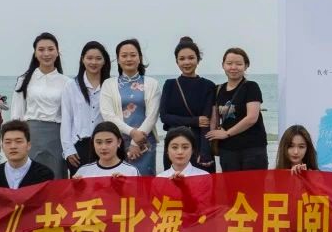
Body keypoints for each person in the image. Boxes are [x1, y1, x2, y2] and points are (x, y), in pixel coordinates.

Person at [67, 122, 138, 232]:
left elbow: (139, 205)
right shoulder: (84, 171)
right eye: (98, 142)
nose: (103, 147)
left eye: (108, 142)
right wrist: (74, 188)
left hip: (118, 227)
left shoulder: (130, 171)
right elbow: (72, 206)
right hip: (91, 225)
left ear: (119, 142)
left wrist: (124, 187)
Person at [146, 127, 212, 232]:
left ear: (193, 150)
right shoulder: (160, 179)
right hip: (169, 229)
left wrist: (184, 188)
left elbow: (202, 211)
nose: (180, 152)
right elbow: (155, 211)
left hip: (196, 230)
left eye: (185, 147)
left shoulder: (203, 176)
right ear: (167, 151)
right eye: (174, 147)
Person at [274, 124, 332, 232]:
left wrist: (305, 179)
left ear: (308, 149)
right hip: (286, 228)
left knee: (307, 223)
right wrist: (291, 179)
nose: (295, 152)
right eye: (291, 146)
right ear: (284, 148)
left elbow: (322, 205)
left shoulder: (315, 174)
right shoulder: (276, 174)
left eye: (301, 147)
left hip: (309, 229)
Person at [11, 32, 69, 179]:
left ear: (57, 52)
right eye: (41, 49)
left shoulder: (67, 82)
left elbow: (69, 116)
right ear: (35, 53)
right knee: (30, 178)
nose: (46, 54)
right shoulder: (24, 80)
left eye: (51, 49)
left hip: (57, 136)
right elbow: (17, 113)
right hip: (31, 134)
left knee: (55, 177)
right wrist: (16, 139)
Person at [101, 39, 162, 177]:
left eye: (133, 55)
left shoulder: (152, 83)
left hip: (145, 143)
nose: (129, 59)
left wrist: (136, 141)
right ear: (118, 60)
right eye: (124, 55)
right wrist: (132, 133)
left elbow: (153, 115)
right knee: (119, 182)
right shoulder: (108, 84)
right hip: (117, 142)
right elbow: (108, 115)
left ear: (139, 58)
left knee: (145, 183)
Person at [159, 37, 216, 172]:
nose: (186, 62)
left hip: (198, 144)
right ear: (177, 61)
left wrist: (205, 152)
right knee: (173, 183)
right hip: (174, 144)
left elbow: (206, 123)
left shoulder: (208, 86)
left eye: (191, 58)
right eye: (182, 59)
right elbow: (164, 117)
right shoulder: (170, 85)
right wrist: (195, 121)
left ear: (198, 59)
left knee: (202, 184)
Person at [208, 47, 269, 172]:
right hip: (227, 150)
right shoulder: (218, 90)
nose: (233, 67)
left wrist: (227, 133)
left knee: (253, 184)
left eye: (239, 64)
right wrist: (211, 137)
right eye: (229, 63)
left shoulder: (251, 87)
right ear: (223, 65)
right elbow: (215, 119)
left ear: (246, 66)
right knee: (231, 184)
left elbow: (252, 118)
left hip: (253, 149)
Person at [59, 41, 111, 177]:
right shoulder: (71, 86)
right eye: (89, 58)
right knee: (80, 188)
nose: (94, 62)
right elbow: (66, 118)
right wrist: (68, 149)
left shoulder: (110, 85)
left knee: (105, 186)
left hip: (105, 145)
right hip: (79, 147)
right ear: (82, 59)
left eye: (98, 58)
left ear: (104, 61)